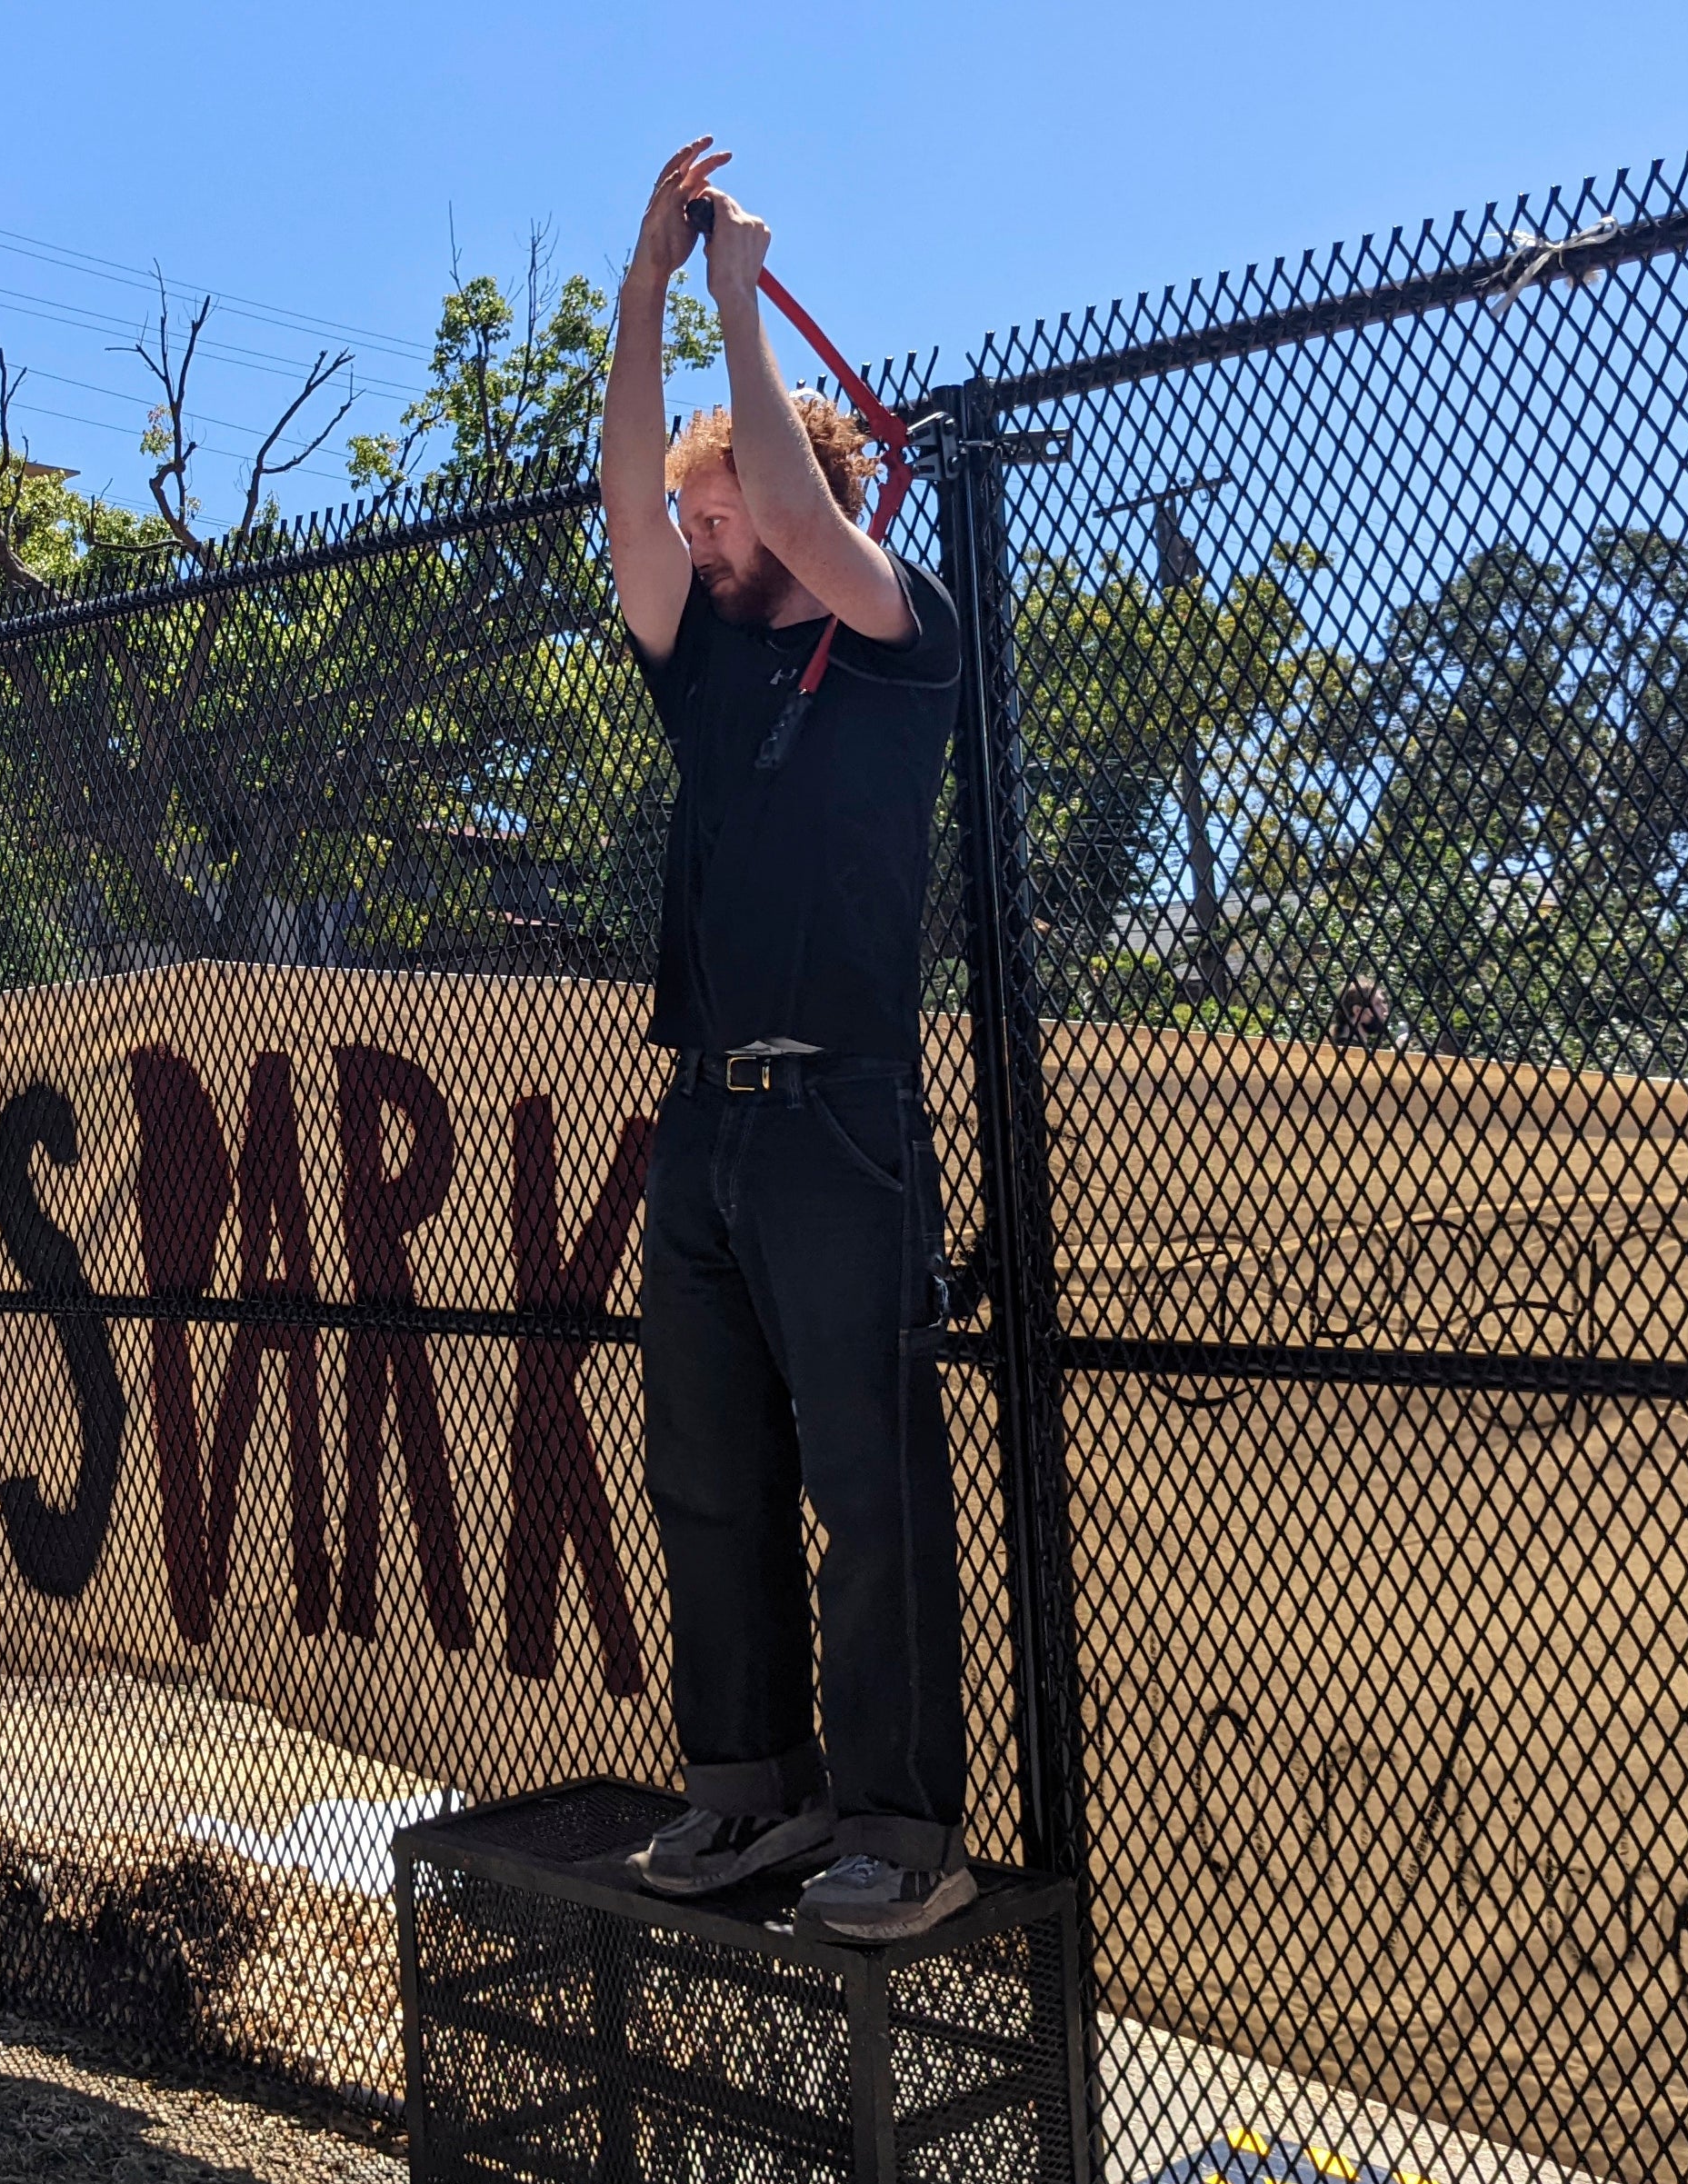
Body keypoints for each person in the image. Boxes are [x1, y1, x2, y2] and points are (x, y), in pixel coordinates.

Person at [601, 138, 972, 1943]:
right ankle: (747, 1786)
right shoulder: (710, 655)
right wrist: (644, 294)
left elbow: (814, 529)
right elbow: (619, 506)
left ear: (797, 493)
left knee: (868, 1478)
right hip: (706, 1124)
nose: (698, 524)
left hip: (841, 1119)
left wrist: (739, 294)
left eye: (720, 498)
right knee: (706, 1469)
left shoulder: (893, 631)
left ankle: (903, 1824)